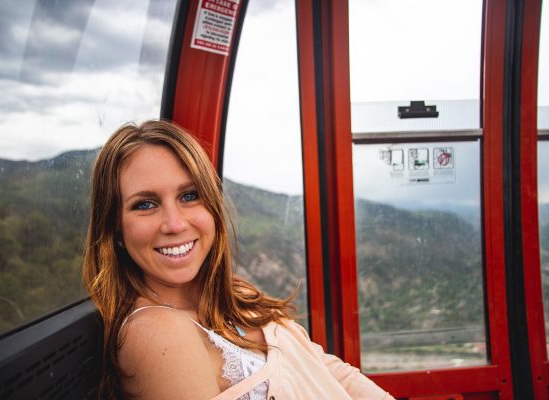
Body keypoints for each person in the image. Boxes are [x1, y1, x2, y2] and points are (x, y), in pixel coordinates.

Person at [83, 120, 394, 400]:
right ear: (115, 228)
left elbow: (323, 368)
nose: (175, 224)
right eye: (145, 204)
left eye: (189, 196)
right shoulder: (158, 334)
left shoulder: (233, 295)